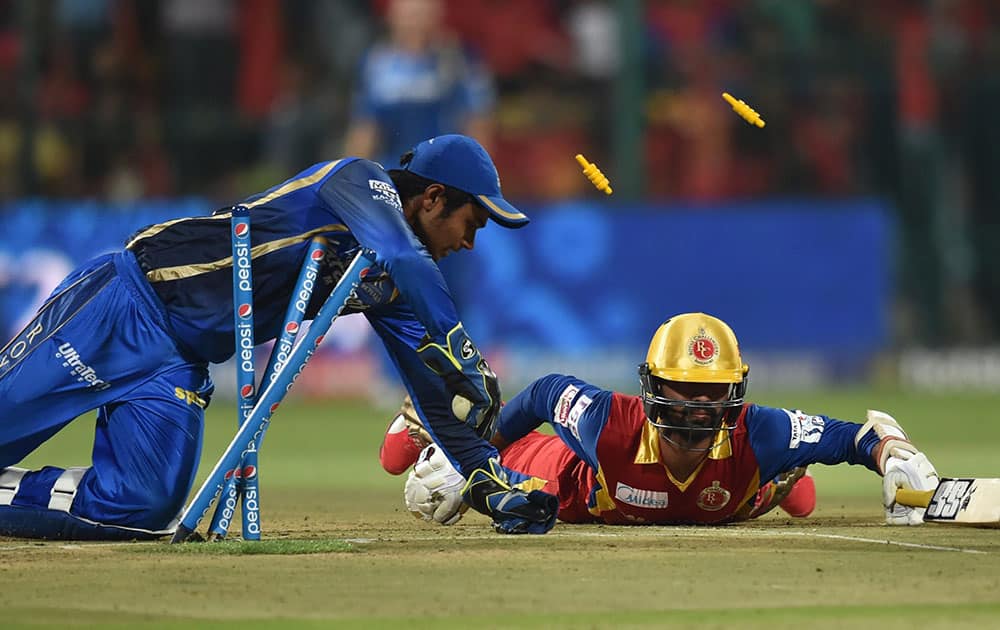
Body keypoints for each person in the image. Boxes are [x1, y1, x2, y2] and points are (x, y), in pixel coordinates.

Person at [0, 134, 558, 540]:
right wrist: (460, 348)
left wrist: (494, 485)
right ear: (433, 198)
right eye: (472, 224)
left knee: (141, 507)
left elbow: (438, 405)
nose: (469, 243)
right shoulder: (358, 180)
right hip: (126, 304)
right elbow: (400, 253)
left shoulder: (392, 285)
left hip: (180, 362)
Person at [391, 312, 940, 527]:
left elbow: (856, 436)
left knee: (796, 497)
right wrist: (480, 449)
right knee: (425, 478)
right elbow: (543, 392)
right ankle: (431, 430)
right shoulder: (606, 423)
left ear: (733, 395)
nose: (695, 411)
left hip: (737, 494)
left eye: (709, 397)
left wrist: (895, 452)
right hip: (569, 484)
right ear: (651, 391)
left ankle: (785, 480)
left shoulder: (761, 431)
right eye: (682, 395)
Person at [343, 0, 496, 168]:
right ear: (392, 18)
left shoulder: (460, 60)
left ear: (437, 16)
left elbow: (477, 122)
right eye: (409, 15)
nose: (415, 23)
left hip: (444, 170)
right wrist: (352, 175)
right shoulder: (376, 64)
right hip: (393, 170)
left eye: (422, 14)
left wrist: (475, 175)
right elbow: (365, 128)